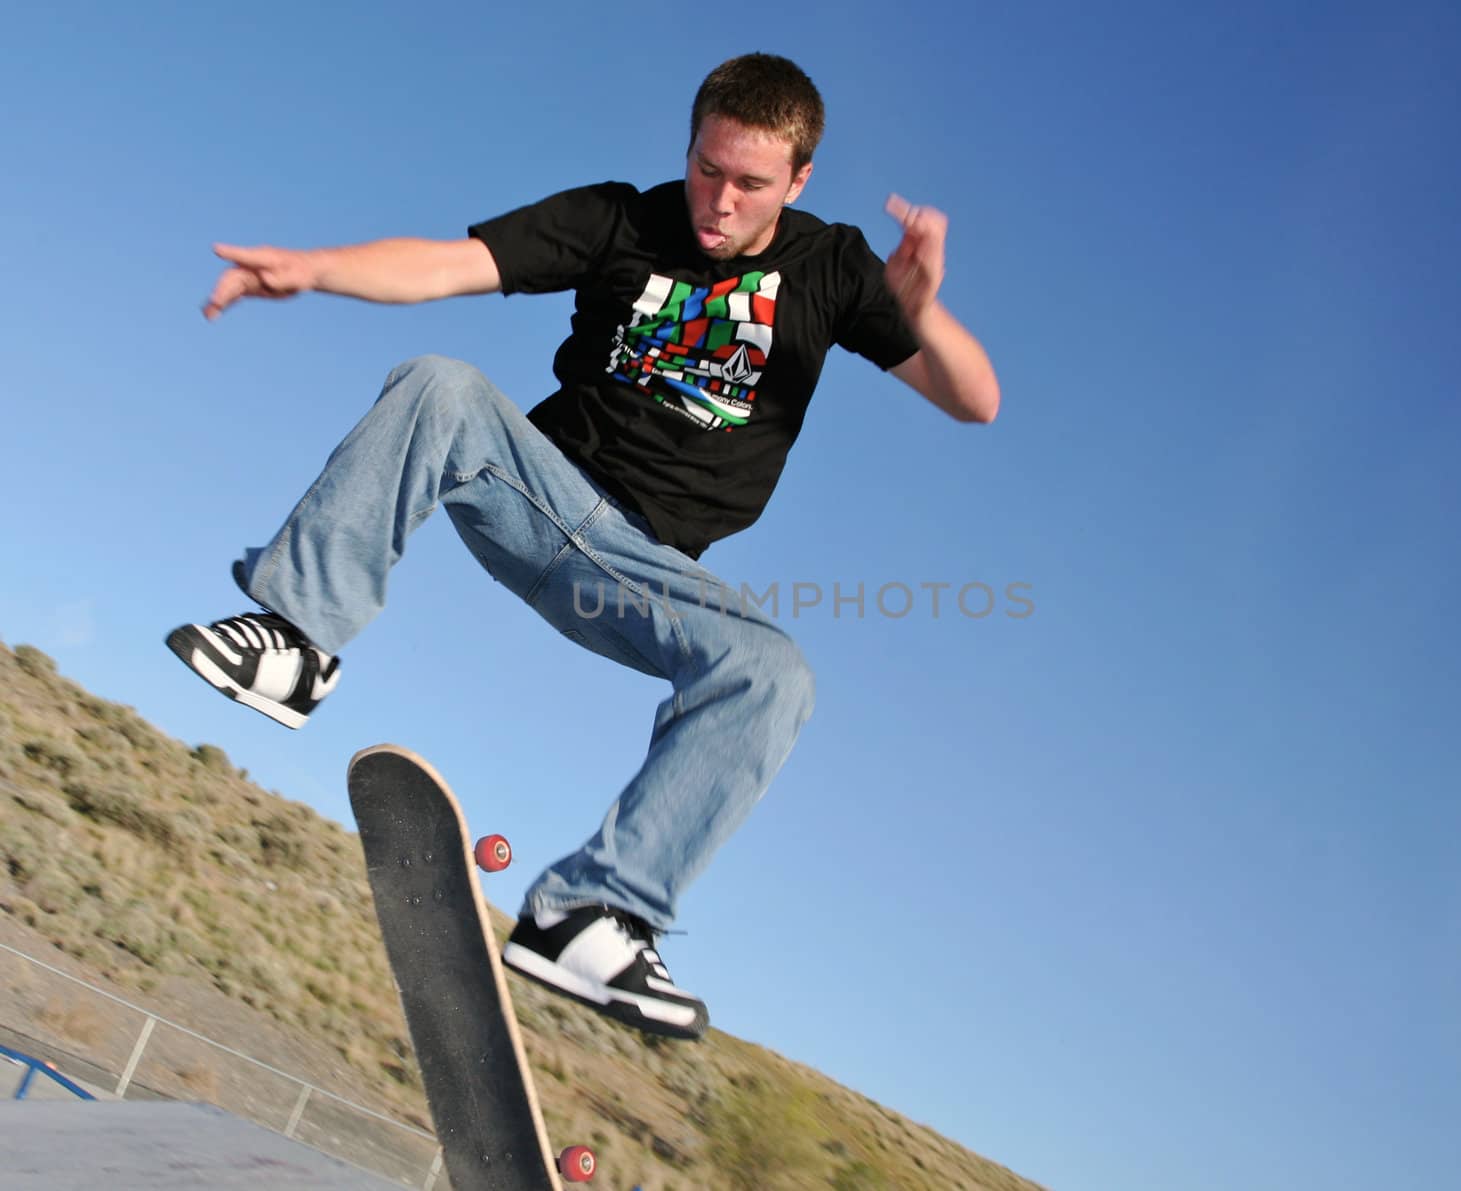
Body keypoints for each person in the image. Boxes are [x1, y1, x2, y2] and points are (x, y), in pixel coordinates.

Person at [166, 53, 999, 1041]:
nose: (719, 202)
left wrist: (923, 310)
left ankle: (590, 913)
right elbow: (447, 263)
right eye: (706, 168)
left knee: (772, 670)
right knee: (443, 384)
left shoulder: (834, 268)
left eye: (750, 184)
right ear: (689, 144)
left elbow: (974, 400)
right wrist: (312, 269)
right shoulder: (621, 219)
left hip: (647, 573)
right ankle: (294, 643)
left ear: (799, 181)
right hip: (536, 495)